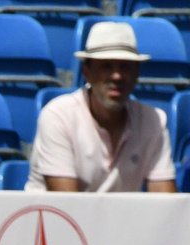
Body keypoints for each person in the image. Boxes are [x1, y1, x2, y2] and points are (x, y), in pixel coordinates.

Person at [27, 21, 176, 193]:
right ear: (87, 72)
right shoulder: (58, 116)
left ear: (137, 74)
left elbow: (166, 204)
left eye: (125, 67)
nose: (117, 76)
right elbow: (66, 206)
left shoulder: (154, 120)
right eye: (106, 66)